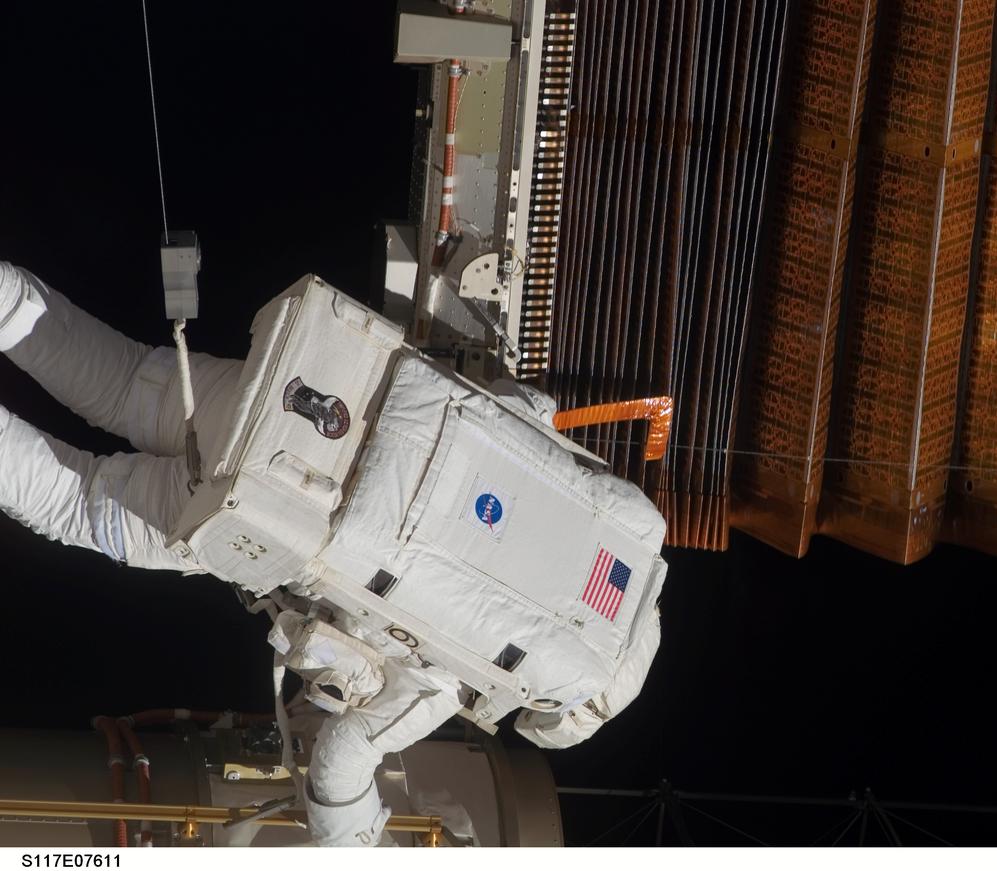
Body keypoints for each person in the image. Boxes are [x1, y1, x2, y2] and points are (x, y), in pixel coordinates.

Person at [0, 261, 661, 846]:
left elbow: (522, 408)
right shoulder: (462, 674)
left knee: (124, 379)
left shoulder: (623, 525)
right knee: (77, 499)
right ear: (548, 706)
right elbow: (341, 759)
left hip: (315, 393)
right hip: (278, 509)